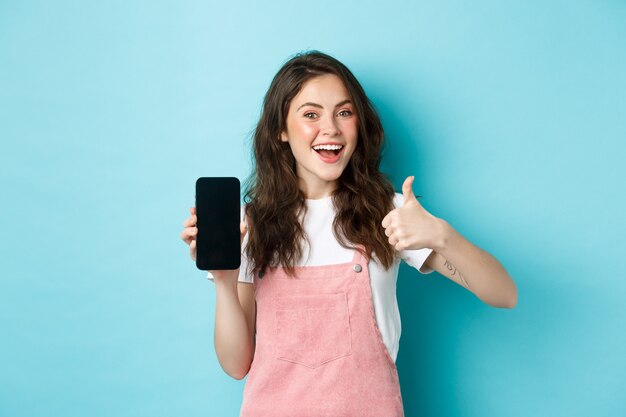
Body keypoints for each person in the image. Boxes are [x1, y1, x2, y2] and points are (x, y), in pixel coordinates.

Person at [180, 50, 517, 417]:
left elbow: (504, 293)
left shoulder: (388, 213)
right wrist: (226, 281)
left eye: (344, 112)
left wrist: (441, 235)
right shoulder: (250, 224)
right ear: (280, 129)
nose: (332, 129)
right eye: (311, 114)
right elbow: (236, 364)